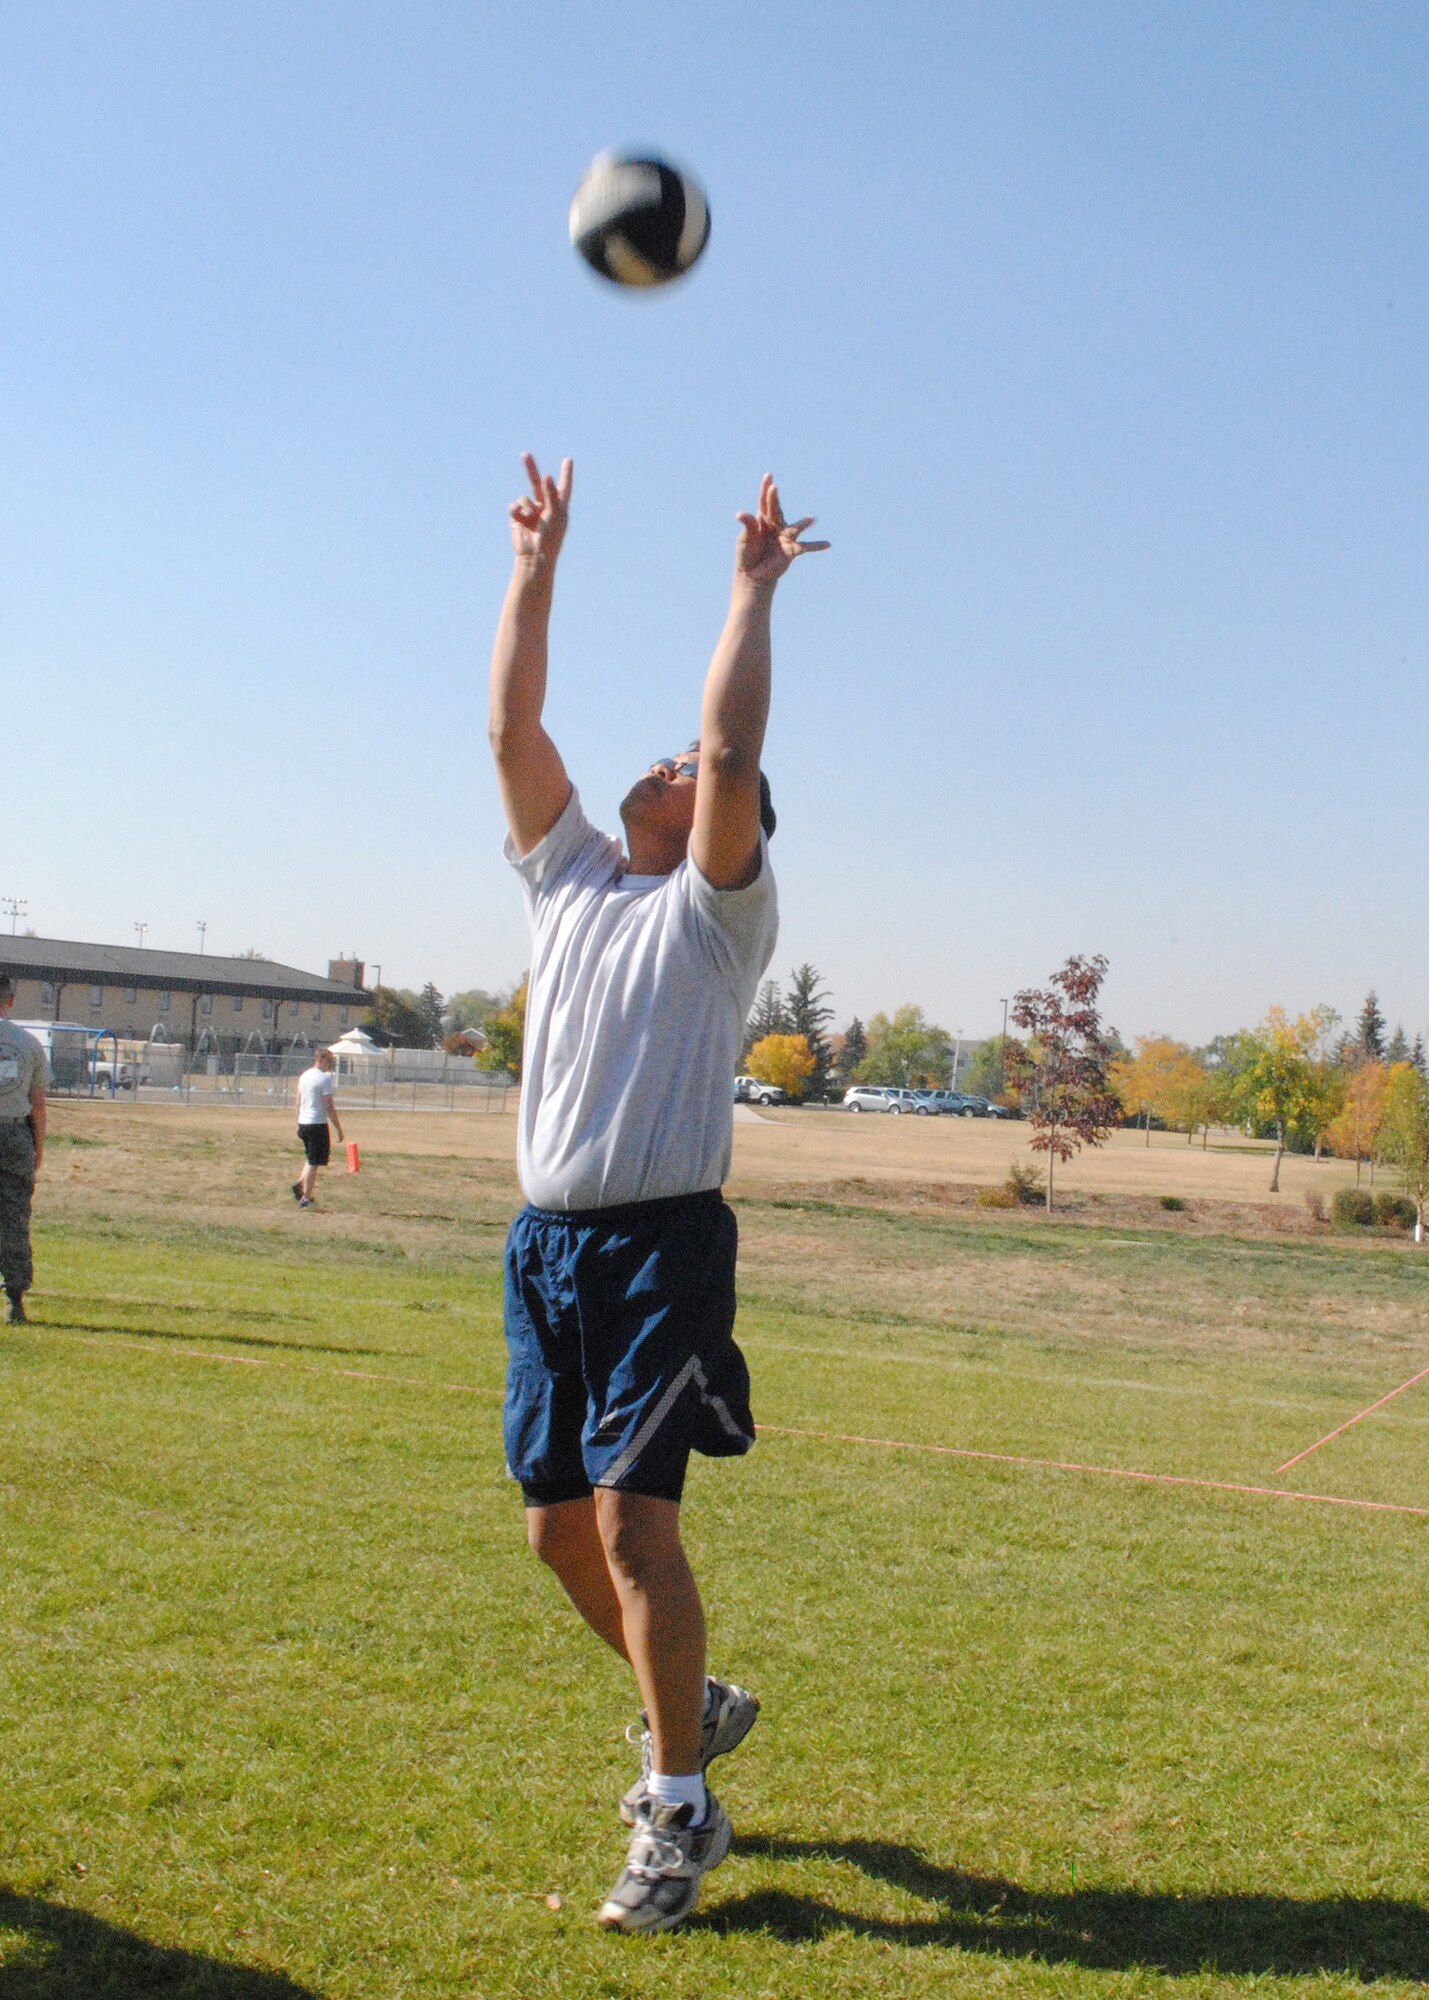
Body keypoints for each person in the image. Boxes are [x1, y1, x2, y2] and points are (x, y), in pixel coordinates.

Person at [489, 453, 827, 1933]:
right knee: (557, 1534)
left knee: (633, 1529)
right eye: (670, 758)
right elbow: (509, 724)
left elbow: (734, 751)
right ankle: (695, 1700)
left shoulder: (711, 919)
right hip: (544, 1248)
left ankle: (676, 1810)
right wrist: (535, 563)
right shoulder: (567, 880)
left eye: (689, 771)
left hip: (656, 1255)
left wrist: (749, 590)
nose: (675, 765)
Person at [0, 973, 48, 1325]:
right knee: (14, 1218)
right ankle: (15, 1300)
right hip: (16, 1138)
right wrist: (38, 1148)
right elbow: (38, 1105)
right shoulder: (29, 1043)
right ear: (11, 1000)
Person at [291, 1048, 344, 1207]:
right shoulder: (324, 1078)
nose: (331, 1064)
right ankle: (306, 1198)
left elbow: (298, 1102)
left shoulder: (305, 1075)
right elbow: (329, 1106)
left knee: (310, 1158)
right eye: (329, 1061)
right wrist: (338, 1129)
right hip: (316, 1124)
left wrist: (297, 1122)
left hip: (304, 1122)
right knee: (315, 1161)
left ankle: (300, 1186)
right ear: (320, 1059)